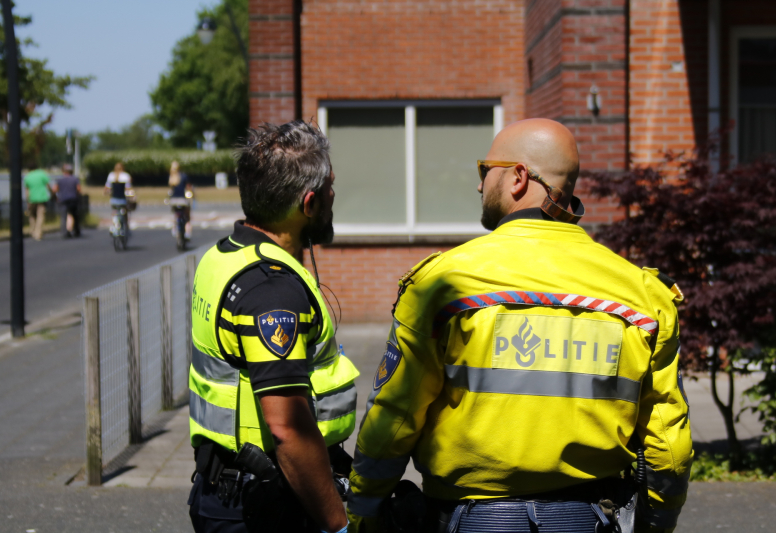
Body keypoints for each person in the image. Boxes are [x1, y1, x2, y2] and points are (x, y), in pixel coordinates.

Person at [347, 119, 692, 533]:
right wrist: (658, 523)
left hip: (470, 521)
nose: (479, 186)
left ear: (518, 177)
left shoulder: (441, 285)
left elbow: (393, 420)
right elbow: (669, 447)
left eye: (484, 170)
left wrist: (362, 513)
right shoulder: (642, 297)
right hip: (591, 519)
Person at [188, 120, 359, 533]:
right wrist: (338, 525)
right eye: (330, 186)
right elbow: (287, 428)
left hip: (228, 490)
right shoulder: (271, 291)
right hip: (266, 506)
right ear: (310, 203)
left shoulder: (225, 255)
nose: (334, 195)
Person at [53, 163, 82, 238]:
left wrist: (57, 195)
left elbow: (55, 189)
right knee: (75, 215)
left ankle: (64, 232)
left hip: (63, 199)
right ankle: (76, 231)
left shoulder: (60, 180)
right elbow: (78, 189)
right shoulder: (75, 179)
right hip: (73, 199)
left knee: (63, 217)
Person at [23, 168, 52, 241]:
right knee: (40, 216)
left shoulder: (28, 176)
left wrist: (27, 199)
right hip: (41, 198)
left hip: (32, 199)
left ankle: (32, 230)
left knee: (32, 215)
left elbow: (27, 189)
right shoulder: (42, 174)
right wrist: (52, 194)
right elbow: (48, 185)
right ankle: (38, 233)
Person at [105, 162, 133, 232]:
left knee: (114, 211)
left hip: (113, 199)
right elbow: (128, 188)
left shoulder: (111, 175)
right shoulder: (126, 176)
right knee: (125, 211)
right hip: (122, 199)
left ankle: (114, 225)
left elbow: (107, 188)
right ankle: (126, 226)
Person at [167, 160, 192, 240]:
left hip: (173, 200)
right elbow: (188, 187)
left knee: (175, 214)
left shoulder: (171, 178)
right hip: (182, 200)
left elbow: (170, 191)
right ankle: (187, 232)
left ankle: (175, 228)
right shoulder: (183, 176)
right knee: (187, 215)